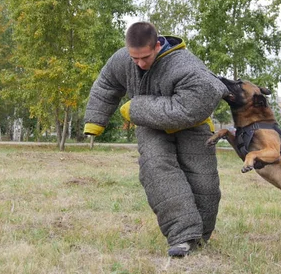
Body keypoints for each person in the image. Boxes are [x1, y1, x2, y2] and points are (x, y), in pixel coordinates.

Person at [83, 22, 229, 257]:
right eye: (135, 58)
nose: (139, 64)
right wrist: (95, 121)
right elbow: (106, 84)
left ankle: (200, 236)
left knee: (204, 183)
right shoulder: (122, 59)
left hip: (192, 125)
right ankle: (183, 237)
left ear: (158, 45)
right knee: (156, 169)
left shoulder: (187, 65)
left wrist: (137, 108)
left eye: (145, 58)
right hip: (152, 126)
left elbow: (194, 105)